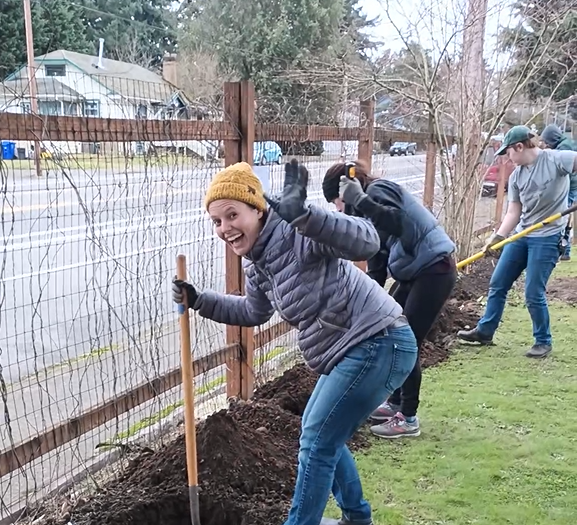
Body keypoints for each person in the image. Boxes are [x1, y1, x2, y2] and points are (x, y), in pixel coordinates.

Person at [172, 160, 418, 525]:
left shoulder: (297, 230)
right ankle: (357, 518)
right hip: (352, 349)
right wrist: (200, 300)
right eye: (217, 221)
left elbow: (368, 241)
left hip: (380, 341)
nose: (225, 228)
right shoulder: (257, 262)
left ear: (257, 209)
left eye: (232, 215)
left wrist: (304, 216)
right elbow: (254, 313)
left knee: (317, 440)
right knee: (319, 435)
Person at [322, 160, 456, 439]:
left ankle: (408, 418)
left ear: (348, 190)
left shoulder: (378, 191)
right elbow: (378, 264)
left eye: (336, 201)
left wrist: (359, 198)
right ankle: (395, 403)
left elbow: (400, 224)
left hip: (434, 270)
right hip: (416, 273)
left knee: (406, 340)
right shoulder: (367, 214)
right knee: (389, 329)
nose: (337, 209)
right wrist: (361, 303)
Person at [458, 125, 577, 358]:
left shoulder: (556, 159)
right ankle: (485, 331)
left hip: (548, 236)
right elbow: (514, 212)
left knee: (533, 291)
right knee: (498, 282)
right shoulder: (516, 176)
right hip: (521, 235)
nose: (508, 159)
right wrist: (498, 237)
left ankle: (543, 341)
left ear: (519, 147)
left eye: (508, 153)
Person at [541, 124, 577, 260]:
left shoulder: (563, 148)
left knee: (563, 217)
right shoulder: (566, 143)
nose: (545, 145)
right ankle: (564, 251)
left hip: (568, 187)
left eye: (546, 142)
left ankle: (564, 250)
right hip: (572, 186)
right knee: (566, 216)